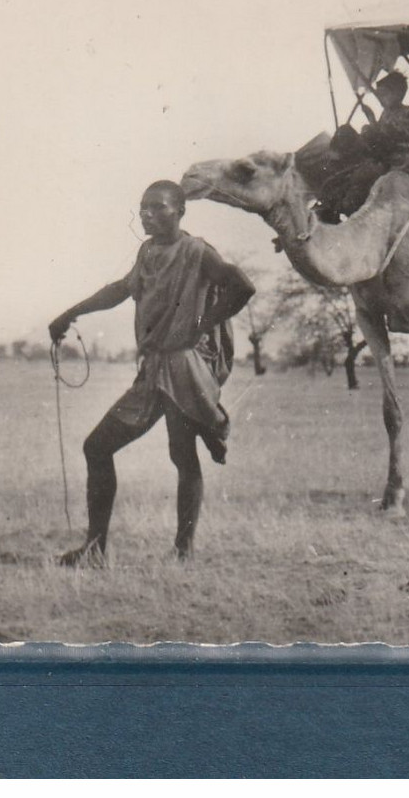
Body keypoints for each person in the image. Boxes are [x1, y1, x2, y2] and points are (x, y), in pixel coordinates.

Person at [48, 180, 255, 566]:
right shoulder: (147, 252)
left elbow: (242, 286)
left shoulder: (197, 251)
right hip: (154, 367)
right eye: (144, 207)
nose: (148, 214)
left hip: (184, 368)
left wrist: (201, 324)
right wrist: (68, 314)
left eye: (158, 207)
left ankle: (183, 551)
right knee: (98, 447)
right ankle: (95, 550)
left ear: (180, 211)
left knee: (182, 454)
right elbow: (120, 290)